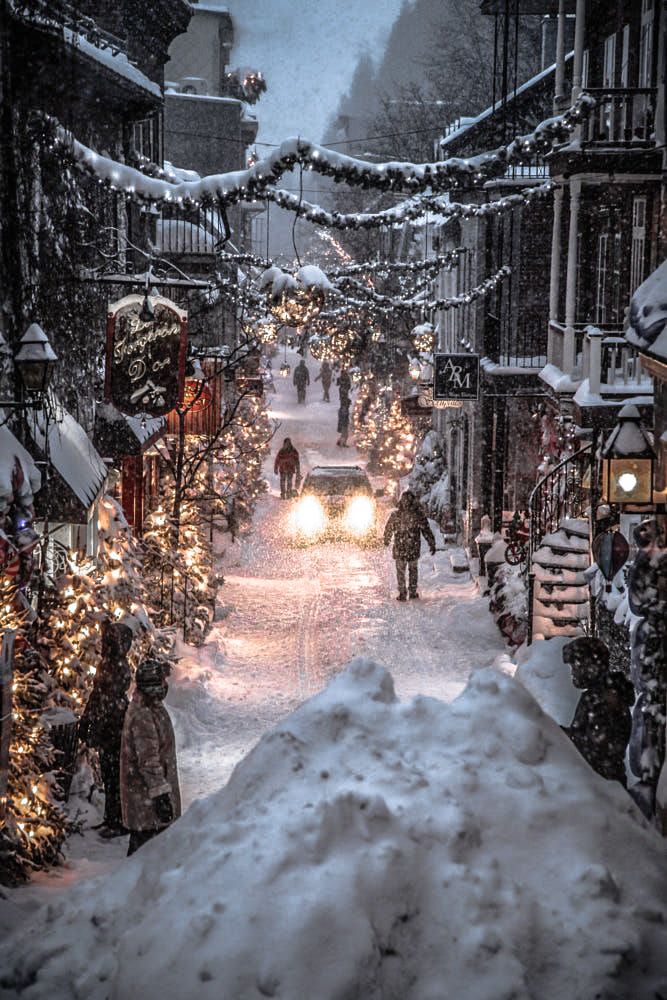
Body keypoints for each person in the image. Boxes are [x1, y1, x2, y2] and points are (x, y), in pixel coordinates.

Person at [120, 659, 181, 856]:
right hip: (146, 803)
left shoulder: (151, 707)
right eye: (162, 681)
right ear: (153, 686)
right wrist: (160, 796)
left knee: (147, 856)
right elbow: (148, 761)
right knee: (145, 857)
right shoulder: (143, 715)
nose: (166, 686)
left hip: (146, 803)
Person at [78, 620, 133, 838]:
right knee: (110, 774)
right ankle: (112, 818)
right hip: (110, 726)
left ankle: (117, 820)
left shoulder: (116, 666)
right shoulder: (110, 663)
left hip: (113, 727)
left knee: (113, 775)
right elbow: (99, 696)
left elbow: (105, 698)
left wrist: (94, 724)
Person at [561, 637, 634, 787]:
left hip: (603, 790)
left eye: (575, 666)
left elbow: (595, 749)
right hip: (600, 787)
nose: (573, 673)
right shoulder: (599, 694)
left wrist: (559, 737)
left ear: (589, 665)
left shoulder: (604, 698)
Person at [383, 490, 436, 601]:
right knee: (412, 570)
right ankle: (412, 591)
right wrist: (431, 543)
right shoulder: (418, 515)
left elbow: (389, 528)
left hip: (400, 548)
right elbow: (426, 530)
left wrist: (387, 539)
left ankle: (402, 593)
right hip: (413, 546)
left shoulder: (396, 514)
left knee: (401, 571)